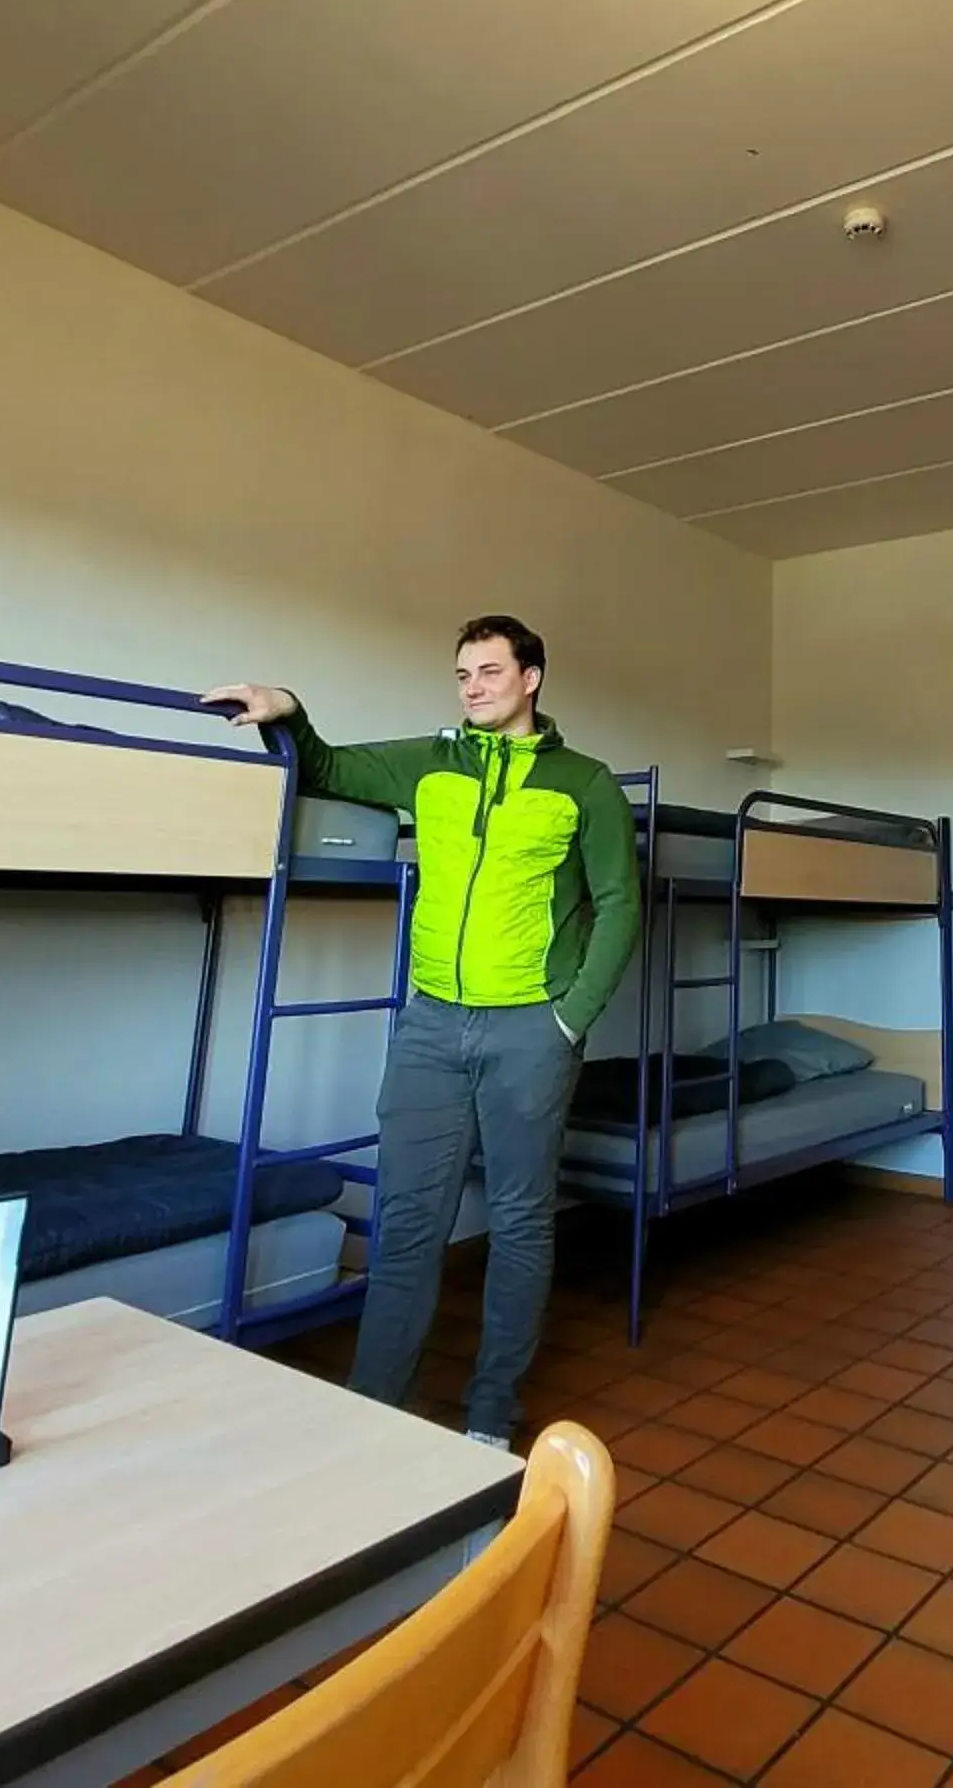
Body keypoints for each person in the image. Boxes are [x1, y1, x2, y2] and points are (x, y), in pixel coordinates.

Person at [207, 617, 641, 1448]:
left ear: (532, 678)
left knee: (519, 1222)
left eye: (488, 671)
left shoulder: (584, 784)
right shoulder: (432, 763)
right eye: (461, 675)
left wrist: (568, 1017)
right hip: (432, 1026)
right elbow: (330, 767)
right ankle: (377, 1415)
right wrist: (287, 711)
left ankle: (489, 1419)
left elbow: (620, 901)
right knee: (407, 1222)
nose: (473, 686)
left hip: (531, 1031)